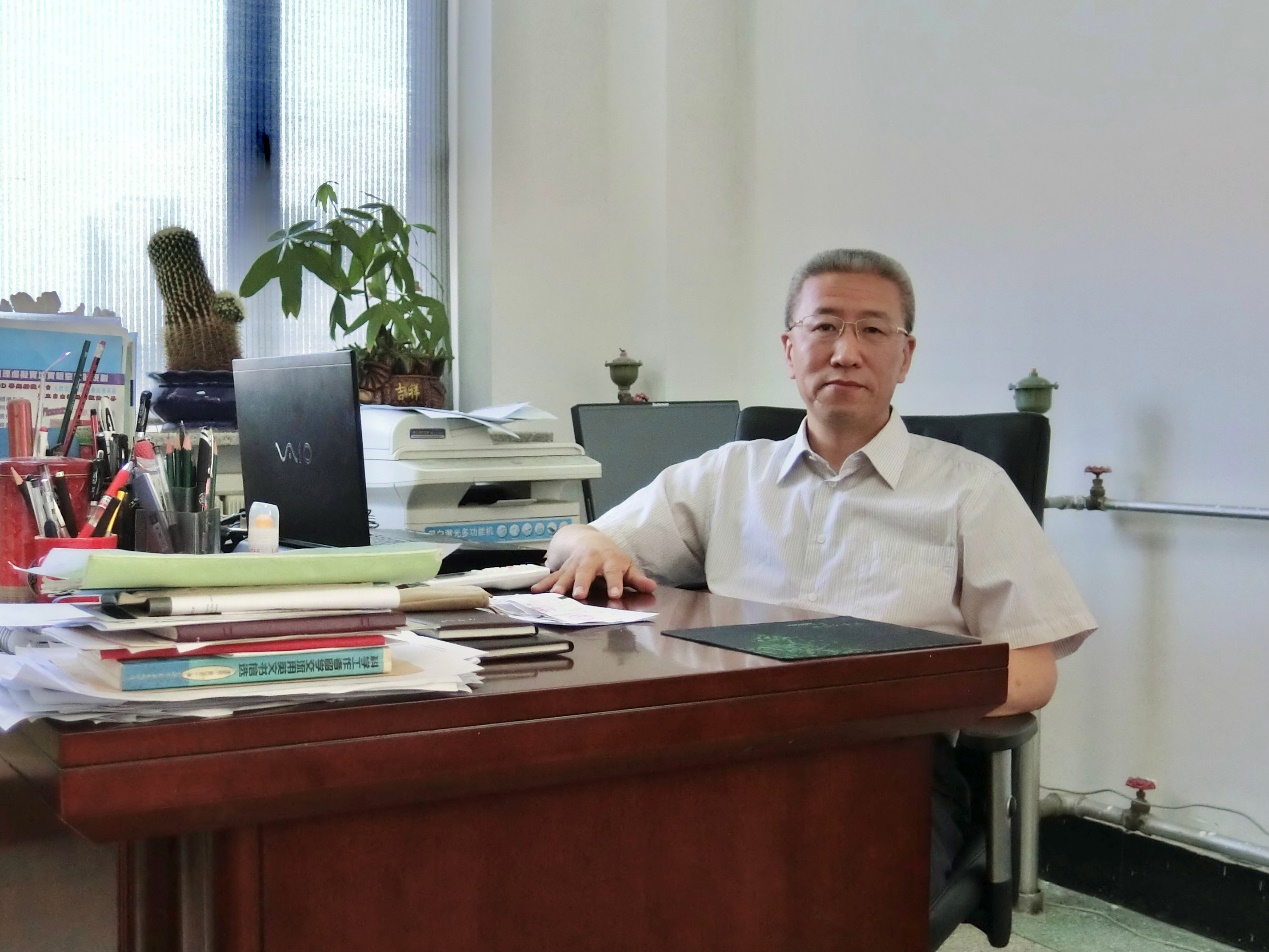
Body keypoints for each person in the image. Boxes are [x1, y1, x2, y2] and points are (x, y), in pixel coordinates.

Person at [533, 247, 1097, 895]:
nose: (845, 352)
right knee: (604, 865)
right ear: (789, 348)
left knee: (815, 895)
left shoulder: (969, 488)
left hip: (887, 761)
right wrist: (588, 544)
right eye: (824, 326)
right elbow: (579, 538)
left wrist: (881, 697)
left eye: (872, 329)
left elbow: (1033, 669)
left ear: (904, 356)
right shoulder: (728, 474)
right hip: (724, 748)